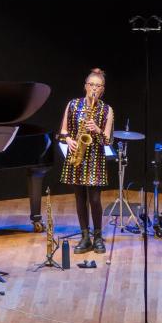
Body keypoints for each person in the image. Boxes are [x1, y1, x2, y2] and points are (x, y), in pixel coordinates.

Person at [58, 68, 114, 254]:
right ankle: (84, 236)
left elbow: (108, 139)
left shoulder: (107, 109)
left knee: (95, 199)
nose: (94, 89)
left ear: (103, 89)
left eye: (98, 86)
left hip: (95, 158)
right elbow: (63, 131)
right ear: (85, 86)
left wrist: (97, 129)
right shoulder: (72, 105)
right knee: (79, 198)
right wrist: (68, 140)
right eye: (91, 85)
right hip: (76, 156)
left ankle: (98, 236)